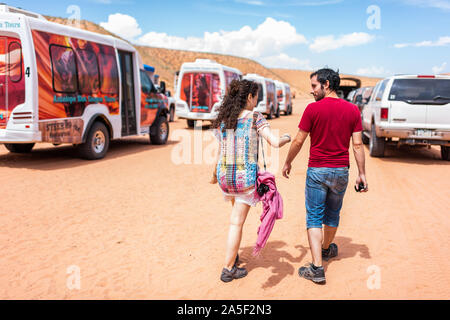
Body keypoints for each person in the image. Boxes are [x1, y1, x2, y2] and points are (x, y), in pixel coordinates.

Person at [282, 68, 368, 284]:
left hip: (317, 172)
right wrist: (362, 174)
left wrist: (288, 161)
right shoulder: (353, 110)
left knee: (314, 217)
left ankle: (317, 268)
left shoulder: (313, 110)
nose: (312, 91)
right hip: (341, 171)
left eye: (314, 86)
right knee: (332, 214)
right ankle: (327, 248)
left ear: (326, 84)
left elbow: (299, 141)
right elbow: (357, 144)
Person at [210, 79, 291, 283]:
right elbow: (274, 142)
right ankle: (228, 268)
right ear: (249, 97)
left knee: (234, 216)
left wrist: (213, 174)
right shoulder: (255, 117)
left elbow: (221, 150)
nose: (257, 100)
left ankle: (233, 254)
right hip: (243, 178)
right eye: (256, 96)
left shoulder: (225, 118)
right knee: (236, 222)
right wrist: (287, 138)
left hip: (224, 175)